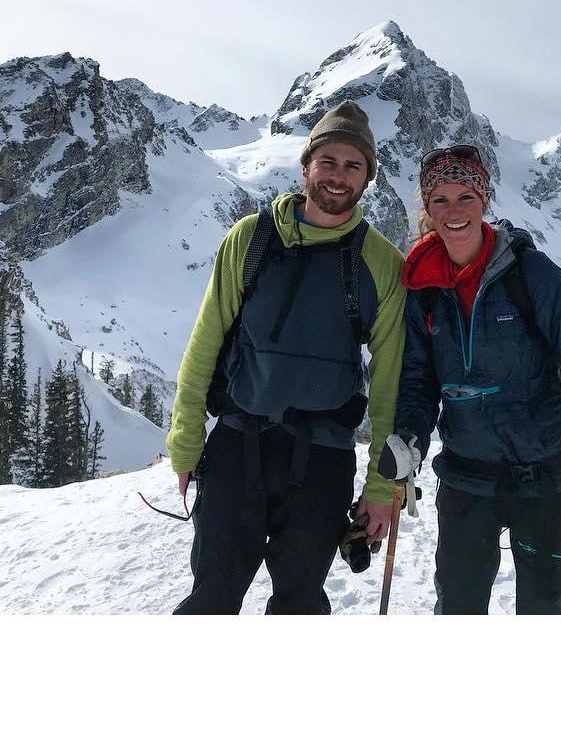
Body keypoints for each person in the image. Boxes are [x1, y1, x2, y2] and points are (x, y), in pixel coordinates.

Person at [379, 144, 561, 614]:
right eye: (440, 200)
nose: (453, 211)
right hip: (468, 472)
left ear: (484, 200)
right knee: (459, 607)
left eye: (465, 196)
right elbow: (420, 381)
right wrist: (409, 436)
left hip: (551, 472)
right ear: (427, 208)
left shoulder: (530, 274)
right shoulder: (422, 289)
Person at [166, 102, 406, 614]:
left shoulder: (381, 262)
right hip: (237, 446)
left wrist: (382, 484)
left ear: (367, 179)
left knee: (299, 604)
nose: (338, 176)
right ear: (306, 167)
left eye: (353, 166)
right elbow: (206, 340)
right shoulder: (250, 239)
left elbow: (389, 383)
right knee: (211, 598)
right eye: (328, 162)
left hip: (322, 460)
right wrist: (186, 439)